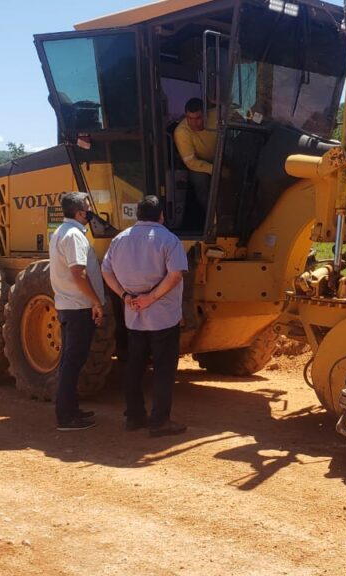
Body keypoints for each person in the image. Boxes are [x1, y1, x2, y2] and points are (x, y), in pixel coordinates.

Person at [101, 195, 189, 437]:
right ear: (161, 215)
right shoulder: (168, 239)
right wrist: (151, 298)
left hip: (134, 316)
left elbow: (105, 270)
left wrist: (124, 296)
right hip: (163, 318)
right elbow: (174, 276)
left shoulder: (119, 240)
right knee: (163, 369)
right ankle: (160, 421)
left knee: (134, 367)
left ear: (137, 215)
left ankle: (134, 417)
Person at [49, 192, 106, 431]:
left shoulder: (61, 232)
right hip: (79, 307)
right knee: (73, 362)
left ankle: (71, 409)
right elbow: (78, 273)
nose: (91, 211)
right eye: (88, 207)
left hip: (70, 305)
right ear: (80, 212)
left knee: (71, 361)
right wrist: (96, 301)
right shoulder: (73, 236)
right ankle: (66, 417)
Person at [173, 97, 218, 215]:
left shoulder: (218, 117)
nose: (193, 123)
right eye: (189, 118)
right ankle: (210, 215)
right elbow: (191, 162)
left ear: (206, 114)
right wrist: (215, 170)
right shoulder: (181, 132)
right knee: (200, 180)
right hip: (198, 163)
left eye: (198, 118)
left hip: (221, 157)